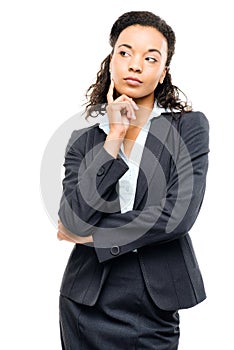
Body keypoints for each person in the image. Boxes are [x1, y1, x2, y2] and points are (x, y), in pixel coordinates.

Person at [57, 10, 209, 350]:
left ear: (163, 71)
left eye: (150, 57)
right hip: (85, 300)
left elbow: (178, 216)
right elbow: (72, 218)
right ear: (111, 60)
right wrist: (113, 137)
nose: (135, 65)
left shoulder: (188, 128)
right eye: (125, 53)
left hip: (152, 300)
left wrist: (94, 236)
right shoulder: (84, 140)